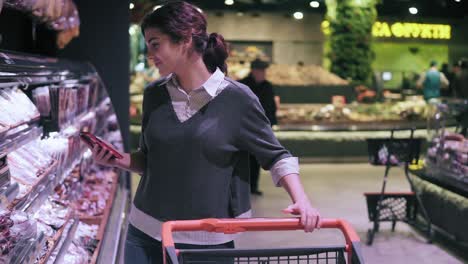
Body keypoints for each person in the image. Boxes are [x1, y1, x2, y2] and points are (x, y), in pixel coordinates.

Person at [87, 1, 320, 263]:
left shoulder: (237, 99)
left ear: (184, 40)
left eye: (155, 44)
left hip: (206, 239)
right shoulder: (154, 94)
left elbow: (277, 156)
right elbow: (150, 159)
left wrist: (302, 200)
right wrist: (118, 160)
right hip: (144, 231)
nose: (150, 54)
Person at [239, 58, 277, 196]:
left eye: (264, 71)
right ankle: (241, 187)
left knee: (256, 159)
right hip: (243, 128)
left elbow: (271, 107)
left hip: (260, 129)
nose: (263, 73)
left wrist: (271, 125)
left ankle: (253, 186)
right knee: (243, 158)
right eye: (261, 70)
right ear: (253, 71)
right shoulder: (242, 85)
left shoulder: (267, 86)